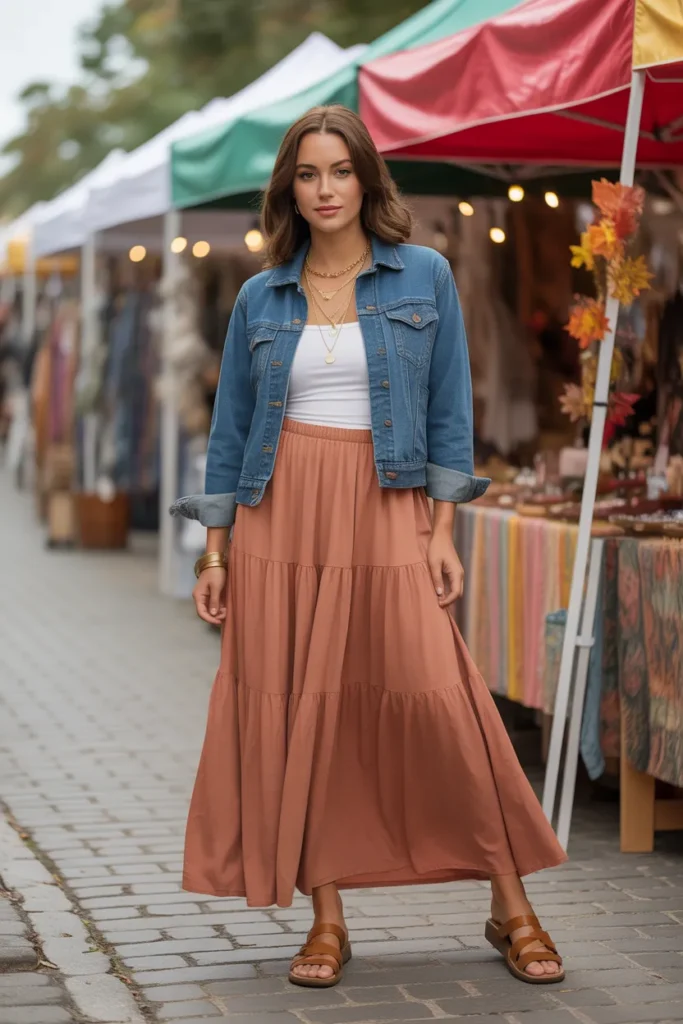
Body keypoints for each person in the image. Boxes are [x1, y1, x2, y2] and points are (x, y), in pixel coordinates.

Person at [171, 105, 567, 990]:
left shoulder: (422, 275)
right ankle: (326, 917)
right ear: (290, 188)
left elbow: (447, 416)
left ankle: (512, 906)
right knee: (301, 706)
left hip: (384, 503)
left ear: (365, 180)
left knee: (436, 695)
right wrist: (216, 551)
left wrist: (442, 530)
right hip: (281, 516)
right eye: (307, 175)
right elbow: (231, 433)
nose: (323, 190)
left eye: (339, 172)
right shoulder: (260, 294)